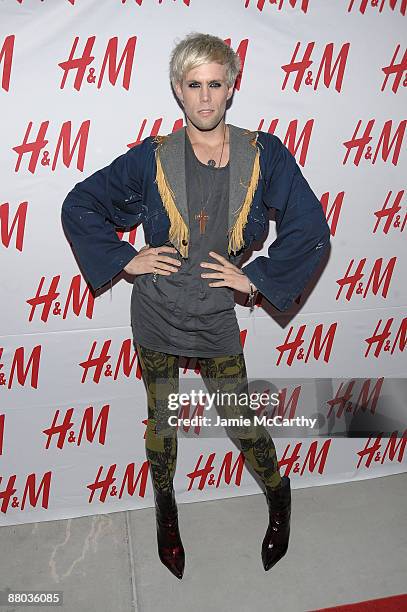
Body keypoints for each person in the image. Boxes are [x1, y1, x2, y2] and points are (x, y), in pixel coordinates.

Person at [61, 32, 331, 580]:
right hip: (156, 309)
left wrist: (254, 279)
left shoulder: (263, 154)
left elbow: (311, 229)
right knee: (162, 421)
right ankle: (166, 515)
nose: (205, 98)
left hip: (213, 314)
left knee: (238, 416)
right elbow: (80, 203)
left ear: (231, 88)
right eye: (194, 85)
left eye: (216, 84)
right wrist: (124, 258)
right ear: (178, 91)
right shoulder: (152, 157)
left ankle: (279, 497)